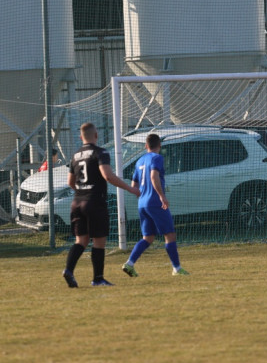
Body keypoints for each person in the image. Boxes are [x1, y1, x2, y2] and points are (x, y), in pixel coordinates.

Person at [62, 122, 139, 288]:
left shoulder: (75, 155)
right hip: (94, 201)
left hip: (77, 201)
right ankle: (98, 279)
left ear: (80, 137)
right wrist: (130, 188)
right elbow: (108, 176)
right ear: (96, 135)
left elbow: (70, 182)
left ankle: (68, 270)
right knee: (99, 241)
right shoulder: (100, 152)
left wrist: (82, 191)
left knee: (81, 240)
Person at [121, 133, 189, 277]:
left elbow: (134, 185)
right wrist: (161, 196)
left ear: (146, 146)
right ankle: (177, 269)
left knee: (148, 238)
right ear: (160, 145)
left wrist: (144, 194)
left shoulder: (139, 161)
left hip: (142, 204)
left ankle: (130, 264)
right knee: (169, 234)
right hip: (155, 202)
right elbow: (153, 176)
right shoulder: (157, 158)